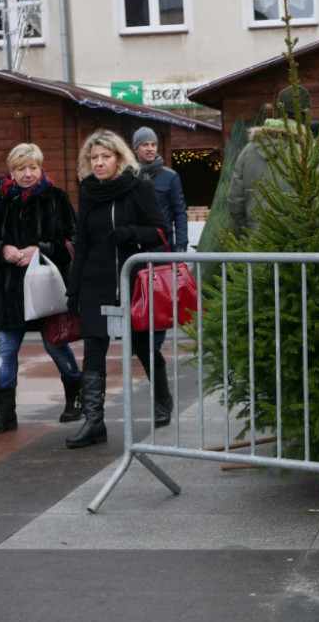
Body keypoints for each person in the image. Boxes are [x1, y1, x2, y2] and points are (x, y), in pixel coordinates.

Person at [64, 129, 170, 449]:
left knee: (140, 344)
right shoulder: (88, 190)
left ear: (120, 158)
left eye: (105, 157)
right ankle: (94, 422)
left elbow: (159, 232)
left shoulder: (137, 187)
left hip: (131, 281)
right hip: (96, 283)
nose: (98, 163)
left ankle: (162, 399)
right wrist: (74, 289)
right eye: (94, 157)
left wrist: (129, 233)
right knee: (94, 349)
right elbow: (82, 242)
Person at [0, 143, 82, 436]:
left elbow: (74, 239)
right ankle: (5, 414)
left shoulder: (56, 198)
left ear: (40, 167)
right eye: (21, 168)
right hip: (10, 290)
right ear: (12, 171)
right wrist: (2, 248)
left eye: (33, 167)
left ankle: (77, 395)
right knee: (5, 350)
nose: (28, 173)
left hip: (46, 287)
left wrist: (41, 249)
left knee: (55, 344)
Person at [131, 126, 188, 430]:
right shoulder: (129, 176)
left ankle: (155, 338)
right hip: (135, 251)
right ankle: (149, 340)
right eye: (146, 145)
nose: (151, 149)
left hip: (162, 249)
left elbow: (179, 210)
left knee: (161, 304)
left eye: (154, 144)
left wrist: (180, 245)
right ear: (136, 149)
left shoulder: (169, 176)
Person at [228, 85, 312, 233]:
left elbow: (235, 201)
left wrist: (248, 234)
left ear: (278, 110)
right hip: (300, 246)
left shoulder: (248, 151)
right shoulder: (312, 152)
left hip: (257, 244)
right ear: (306, 114)